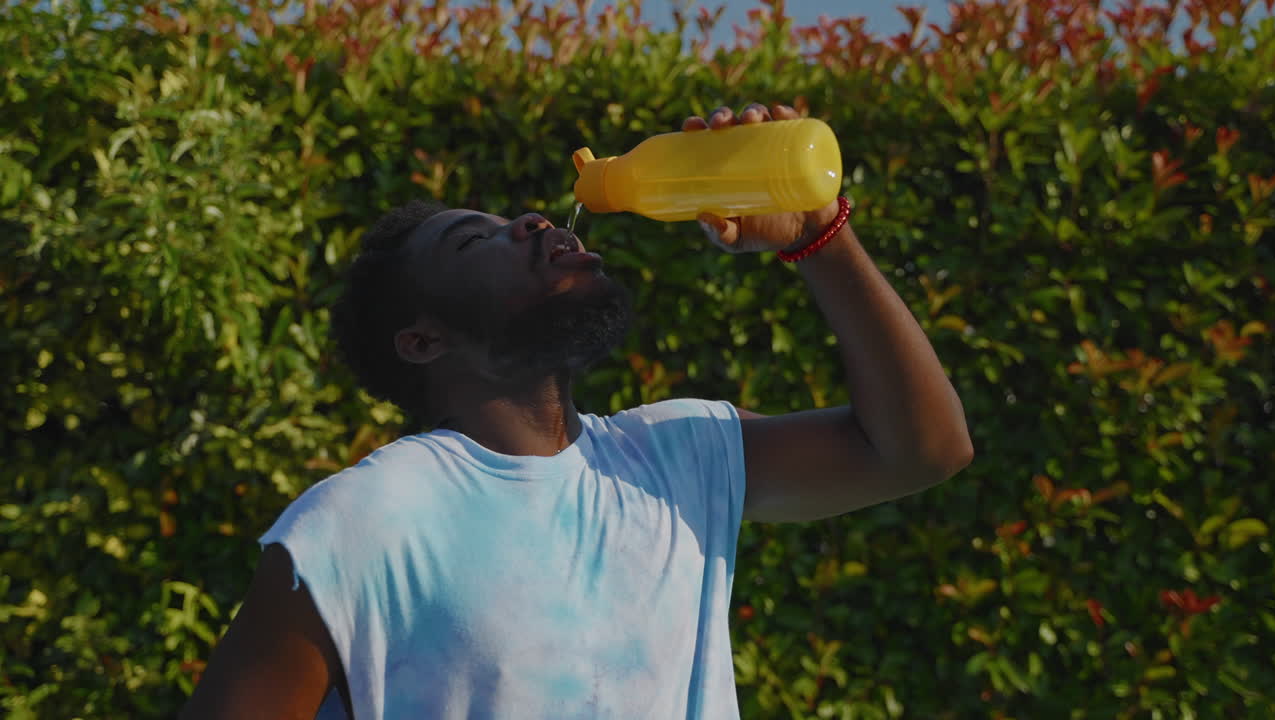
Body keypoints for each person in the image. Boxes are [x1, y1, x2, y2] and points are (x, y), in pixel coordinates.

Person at [179, 103, 972, 720]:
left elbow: (923, 450)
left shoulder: (675, 455)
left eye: (516, 219)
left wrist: (819, 236)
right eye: (473, 242)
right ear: (423, 341)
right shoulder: (364, 521)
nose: (531, 221)